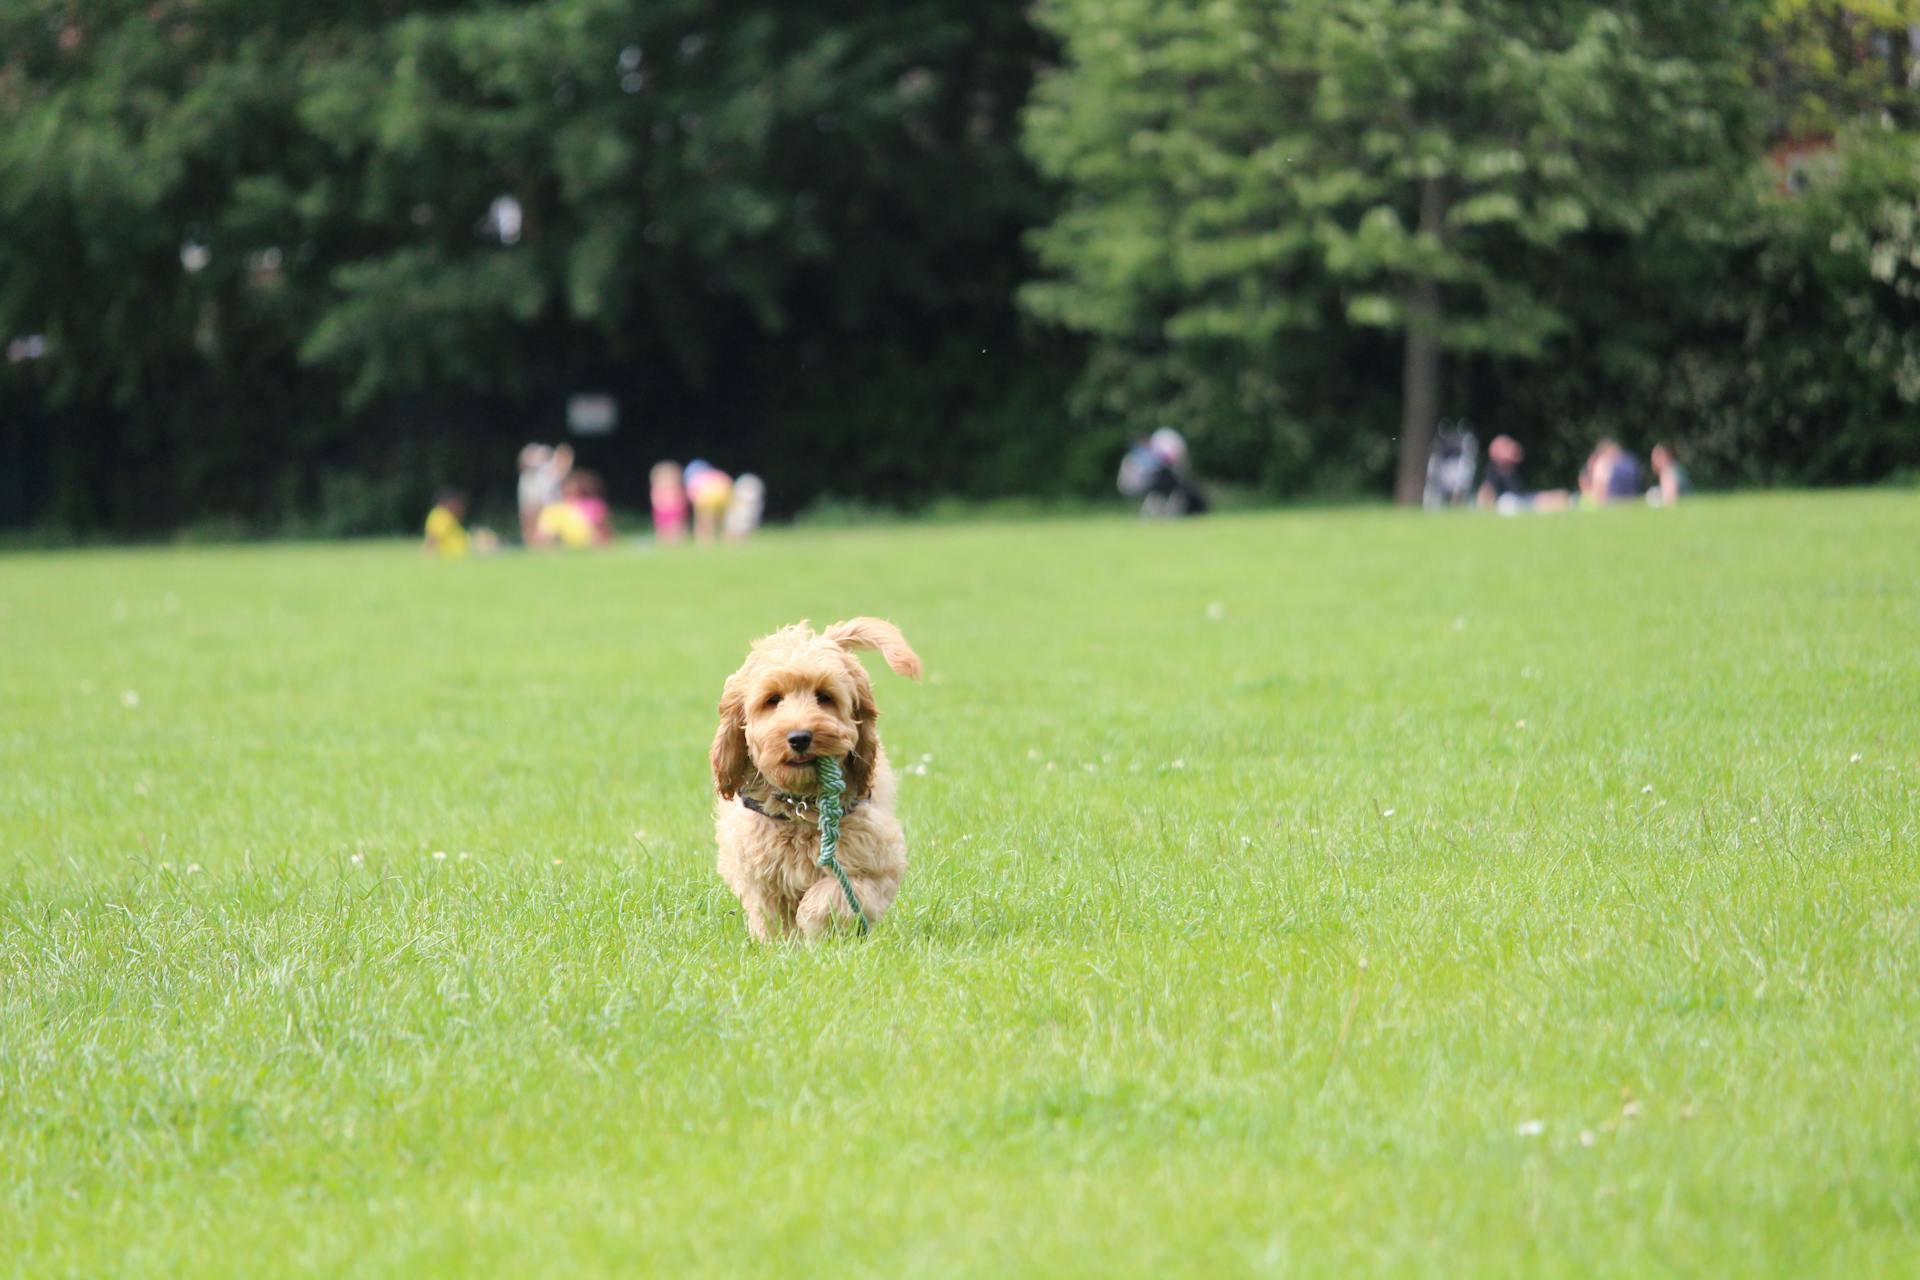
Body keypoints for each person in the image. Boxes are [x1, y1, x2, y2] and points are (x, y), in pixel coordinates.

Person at [1477, 436, 1571, 514]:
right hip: (1514, 501)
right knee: (1552, 500)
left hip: (1524, 498)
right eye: (1506, 447)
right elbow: (1485, 493)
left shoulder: (1511, 469)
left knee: (1561, 495)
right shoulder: (1493, 471)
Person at [1579, 438, 1642, 506]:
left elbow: (1600, 490)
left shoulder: (1604, 463)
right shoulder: (1629, 460)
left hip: (1613, 500)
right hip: (1630, 498)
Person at [685, 459, 733, 543]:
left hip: (705, 497)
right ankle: (726, 537)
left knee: (703, 519)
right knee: (722, 519)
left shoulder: (695, 479)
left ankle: (704, 539)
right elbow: (727, 483)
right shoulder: (717, 475)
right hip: (722, 494)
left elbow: (692, 496)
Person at [423, 489, 471, 558]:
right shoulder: (440, 515)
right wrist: (428, 557)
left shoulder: (449, 517)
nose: (461, 508)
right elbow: (432, 538)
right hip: (452, 556)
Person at [650, 461, 688, 543]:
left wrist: (679, 506)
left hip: (675, 511)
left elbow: (681, 499)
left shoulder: (676, 488)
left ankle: (677, 540)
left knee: (676, 527)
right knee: (663, 528)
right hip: (662, 512)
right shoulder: (658, 489)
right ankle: (663, 541)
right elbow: (655, 500)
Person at [725, 473, 765, 541]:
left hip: (745, 511)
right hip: (739, 510)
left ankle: (740, 539)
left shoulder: (751, 495)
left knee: (744, 525)